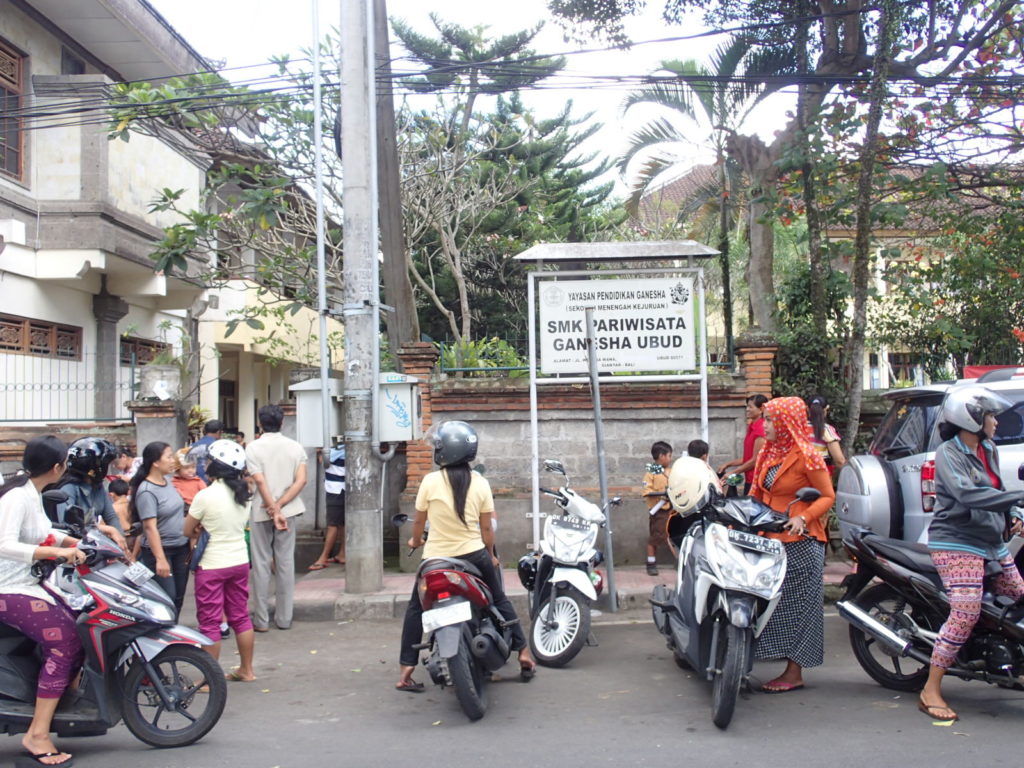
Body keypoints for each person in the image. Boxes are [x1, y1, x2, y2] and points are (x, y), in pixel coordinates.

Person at [396, 421, 535, 692]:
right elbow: (486, 530)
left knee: (416, 610)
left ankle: (405, 671)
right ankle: (524, 654)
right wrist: (492, 555)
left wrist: (415, 540)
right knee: (499, 599)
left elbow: (418, 524)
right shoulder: (480, 483)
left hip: (435, 559)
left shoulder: (429, 482)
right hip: (474, 555)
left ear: (443, 452)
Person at [918, 386, 1024, 722]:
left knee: (1018, 596)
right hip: (956, 542)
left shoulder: (987, 448)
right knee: (965, 612)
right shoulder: (948, 454)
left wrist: (1015, 514)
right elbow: (969, 495)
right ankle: (930, 688)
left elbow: (996, 491)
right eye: (990, 416)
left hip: (991, 542)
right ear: (971, 419)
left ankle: (1002, 661)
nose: (995, 421)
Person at [0, 436, 86, 766]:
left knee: (78, 626)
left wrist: (83, 542)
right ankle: (37, 733)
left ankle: (55, 704)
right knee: (64, 641)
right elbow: (5, 544)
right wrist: (56, 552)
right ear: (56, 468)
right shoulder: (17, 498)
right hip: (8, 589)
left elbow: (45, 530)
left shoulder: (31, 493)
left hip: (29, 583)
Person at [750, 396, 836, 693]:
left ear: (787, 423)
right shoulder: (769, 453)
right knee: (763, 603)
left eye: (772, 420)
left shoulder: (808, 455)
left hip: (800, 541)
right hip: (770, 539)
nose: (767, 425)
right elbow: (757, 494)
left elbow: (827, 496)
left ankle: (794, 672)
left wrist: (804, 517)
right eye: (766, 419)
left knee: (797, 608)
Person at [184, 439, 257, 682]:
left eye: (209, 461)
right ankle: (247, 670)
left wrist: (198, 530)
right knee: (240, 616)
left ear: (216, 466)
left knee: (210, 621)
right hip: (239, 561)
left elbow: (187, 530)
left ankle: (208, 680)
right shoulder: (244, 493)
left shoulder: (205, 496)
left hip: (212, 565)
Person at [245, 404, 307, 631]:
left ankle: (261, 620)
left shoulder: (253, 448)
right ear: (282, 422)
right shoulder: (295, 447)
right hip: (288, 511)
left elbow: (259, 481)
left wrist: (271, 507)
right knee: (285, 562)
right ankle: (284, 618)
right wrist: (280, 506)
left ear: (260, 423)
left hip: (261, 511)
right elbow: (301, 481)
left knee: (261, 564)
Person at [129, 442, 190, 619]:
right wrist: (160, 559)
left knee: (178, 597)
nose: (173, 461)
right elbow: (149, 527)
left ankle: (173, 637)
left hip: (181, 548)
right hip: (162, 552)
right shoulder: (146, 491)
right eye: (169, 457)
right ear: (155, 462)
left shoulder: (168, 482)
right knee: (166, 599)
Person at [52, 438, 127, 553]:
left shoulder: (98, 487)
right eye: (105, 463)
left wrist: (122, 544)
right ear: (92, 465)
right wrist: (107, 529)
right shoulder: (69, 488)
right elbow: (67, 525)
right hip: (69, 552)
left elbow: (111, 516)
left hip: (94, 548)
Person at [718, 394, 769, 495]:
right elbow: (747, 458)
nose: (747, 409)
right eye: (747, 406)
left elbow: (755, 461)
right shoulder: (752, 426)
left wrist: (733, 472)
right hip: (750, 479)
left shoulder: (761, 429)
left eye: (751, 407)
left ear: (761, 409)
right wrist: (728, 464)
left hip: (757, 481)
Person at [309, 443, 345, 570]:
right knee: (341, 524)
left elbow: (323, 460)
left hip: (336, 489)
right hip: (338, 488)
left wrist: (319, 451)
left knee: (332, 524)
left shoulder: (339, 447)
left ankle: (323, 557)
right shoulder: (341, 445)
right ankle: (342, 554)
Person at [641, 441, 674, 576]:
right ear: (661, 456)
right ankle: (651, 563)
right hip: (659, 510)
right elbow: (646, 490)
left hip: (672, 510)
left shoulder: (672, 472)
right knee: (655, 537)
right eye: (669, 456)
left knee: (673, 536)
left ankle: (679, 560)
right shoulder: (651, 472)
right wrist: (660, 495)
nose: (670, 459)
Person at [807, 395, 847, 473]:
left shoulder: (798, 428)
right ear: (825, 410)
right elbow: (839, 460)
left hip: (799, 474)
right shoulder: (827, 430)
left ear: (807, 409)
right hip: (820, 474)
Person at [187, 419, 225, 484]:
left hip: (193, 483)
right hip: (211, 484)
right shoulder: (219, 447)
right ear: (218, 432)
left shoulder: (191, 446)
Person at [171, 449, 207, 514]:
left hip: (196, 509)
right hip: (180, 510)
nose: (190, 470)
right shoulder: (174, 482)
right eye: (186, 468)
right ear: (178, 469)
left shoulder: (198, 482)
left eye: (193, 467)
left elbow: (206, 496)